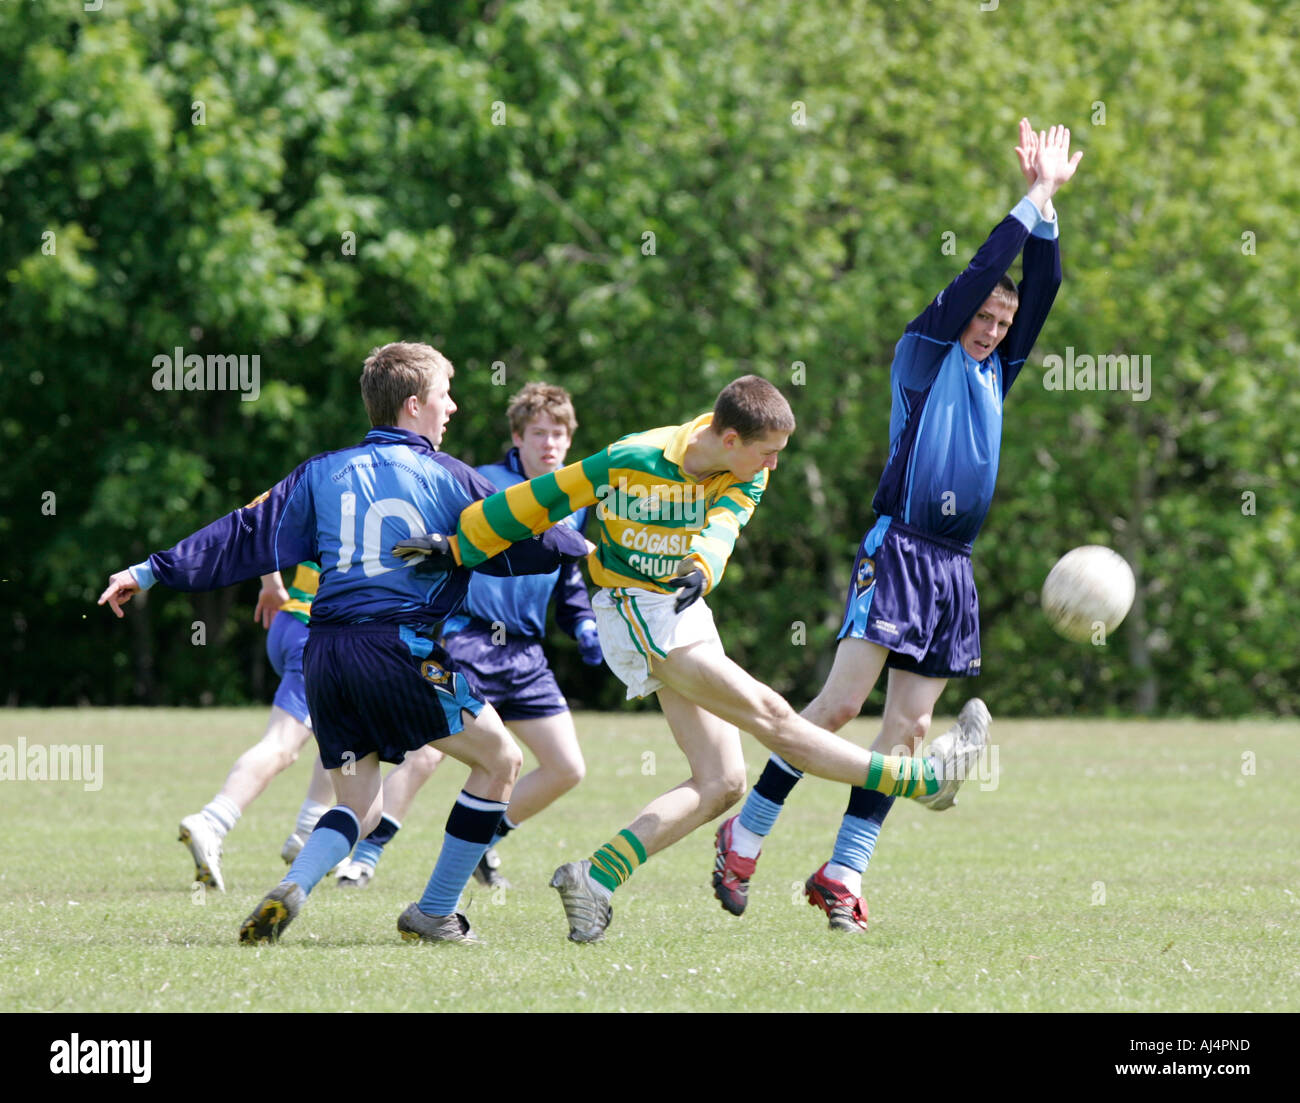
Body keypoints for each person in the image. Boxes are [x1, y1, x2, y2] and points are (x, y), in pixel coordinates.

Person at [401, 374, 984, 942]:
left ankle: (594, 878)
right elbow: (537, 501)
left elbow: (723, 528)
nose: (773, 465)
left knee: (723, 781)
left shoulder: (742, 474)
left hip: (683, 605)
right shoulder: (633, 457)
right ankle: (923, 779)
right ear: (731, 440)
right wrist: (458, 545)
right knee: (773, 716)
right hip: (633, 609)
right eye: (769, 453)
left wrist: (701, 569)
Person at [714, 120, 1081, 932]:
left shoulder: (999, 369)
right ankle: (744, 835)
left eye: (999, 321)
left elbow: (1041, 286)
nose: (989, 327)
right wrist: (1033, 193)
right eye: (981, 316)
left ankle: (842, 872)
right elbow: (989, 265)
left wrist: (1051, 211)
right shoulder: (925, 349)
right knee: (841, 706)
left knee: (910, 726)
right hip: (901, 547)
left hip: (954, 563)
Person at [99, 341, 589, 945]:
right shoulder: (448, 475)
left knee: (363, 804)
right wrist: (586, 544)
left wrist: (151, 571)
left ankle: (295, 885)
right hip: (396, 648)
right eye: (444, 396)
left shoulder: (321, 472)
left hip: (325, 655)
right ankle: (436, 910)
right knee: (502, 760)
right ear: (414, 405)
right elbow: (523, 540)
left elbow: (241, 532)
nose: (453, 408)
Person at [333, 382, 604, 890]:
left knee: (567, 767)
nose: (549, 444)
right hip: (469, 639)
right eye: (539, 433)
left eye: (559, 435)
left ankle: (482, 842)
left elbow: (567, 579)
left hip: (526, 654)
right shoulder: (486, 482)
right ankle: (365, 854)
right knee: (428, 753)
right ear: (517, 437)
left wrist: (585, 624)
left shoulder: (574, 500)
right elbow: (447, 546)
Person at [177, 563, 337, 892]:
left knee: (344, 729)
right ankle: (212, 822)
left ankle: (307, 833)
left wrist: (270, 584)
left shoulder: (317, 506)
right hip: (318, 633)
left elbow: (261, 520)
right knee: (282, 745)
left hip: (289, 621)